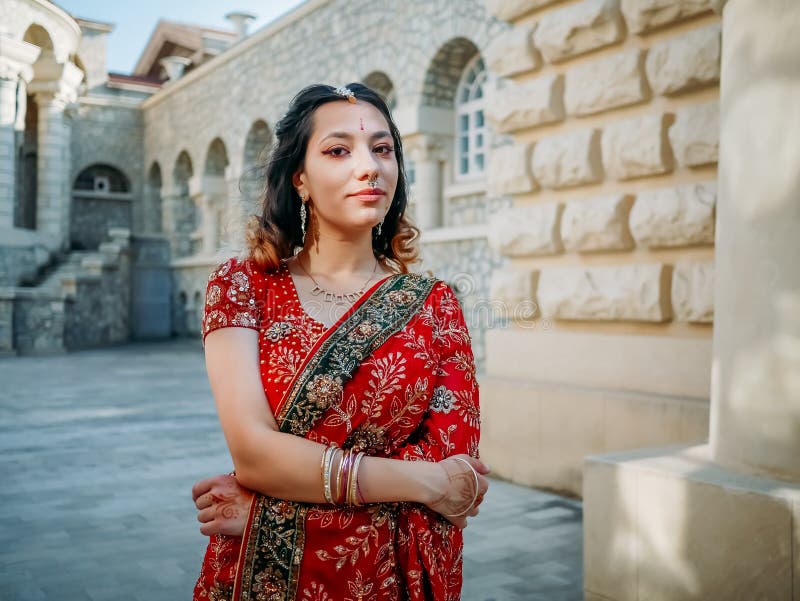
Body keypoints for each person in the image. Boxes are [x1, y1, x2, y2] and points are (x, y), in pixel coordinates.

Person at [191, 83, 489, 601]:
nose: (369, 166)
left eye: (382, 148)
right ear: (300, 179)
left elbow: (457, 483)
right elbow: (256, 454)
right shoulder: (244, 286)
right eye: (338, 150)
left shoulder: (435, 304)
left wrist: (267, 510)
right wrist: (423, 483)